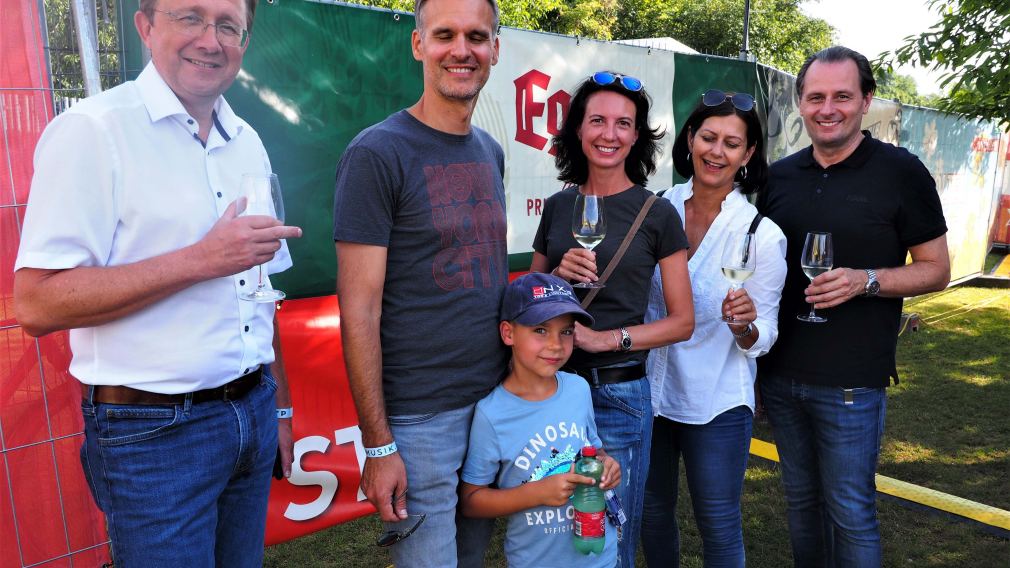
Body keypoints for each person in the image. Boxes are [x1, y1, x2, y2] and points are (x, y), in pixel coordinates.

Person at [12, 0, 302, 565]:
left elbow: (261, 294)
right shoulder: (93, 131)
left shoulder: (246, 139)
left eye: (229, 26)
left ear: (245, 42)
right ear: (146, 27)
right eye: (190, 17)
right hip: (153, 434)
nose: (210, 40)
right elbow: (37, 303)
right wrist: (199, 260)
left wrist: (281, 412)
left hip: (252, 410)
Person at [757, 46, 950, 567]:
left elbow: (936, 269)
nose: (828, 109)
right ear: (800, 102)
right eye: (815, 97)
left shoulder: (901, 171)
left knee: (850, 511)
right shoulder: (778, 176)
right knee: (801, 506)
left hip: (852, 382)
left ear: (866, 101)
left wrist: (865, 280)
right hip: (780, 376)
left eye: (842, 96)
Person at [331, 0, 506, 565]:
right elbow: (359, 311)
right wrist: (379, 444)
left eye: (476, 36)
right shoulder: (376, 153)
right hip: (419, 422)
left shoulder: (491, 151)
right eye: (444, 34)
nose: (461, 50)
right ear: (418, 44)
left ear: (495, 48)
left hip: (492, 405)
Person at [530, 71, 695, 567]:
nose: (609, 133)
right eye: (597, 120)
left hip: (617, 395)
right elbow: (527, 302)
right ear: (578, 129)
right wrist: (556, 276)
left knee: (610, 539)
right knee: (551, 531)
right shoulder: (558, 206)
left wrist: (605, 340)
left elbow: (682, 322)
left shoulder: (657, 213)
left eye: (623, 123)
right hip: (550, 391)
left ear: (637, 135)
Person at [640, 90, 787, 567]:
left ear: (748, 154)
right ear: (690, 139)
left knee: (718, 523)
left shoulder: (760, 233)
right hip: (650, 392)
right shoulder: (656, 208)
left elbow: (765, 335)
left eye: (731, 143)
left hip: (716, 400)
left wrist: (745, 327)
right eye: (708, 137)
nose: (716, 151)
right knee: (651, 513)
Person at [460, 272, 621, 567]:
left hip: (600, 554)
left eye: (566, 331)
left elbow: (594, 451)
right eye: (540, 330)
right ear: (508, 333)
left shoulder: (578, 389)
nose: (556, 345)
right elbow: (471, 501)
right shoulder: (492, 414)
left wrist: (607, 465)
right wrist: (536, 493)